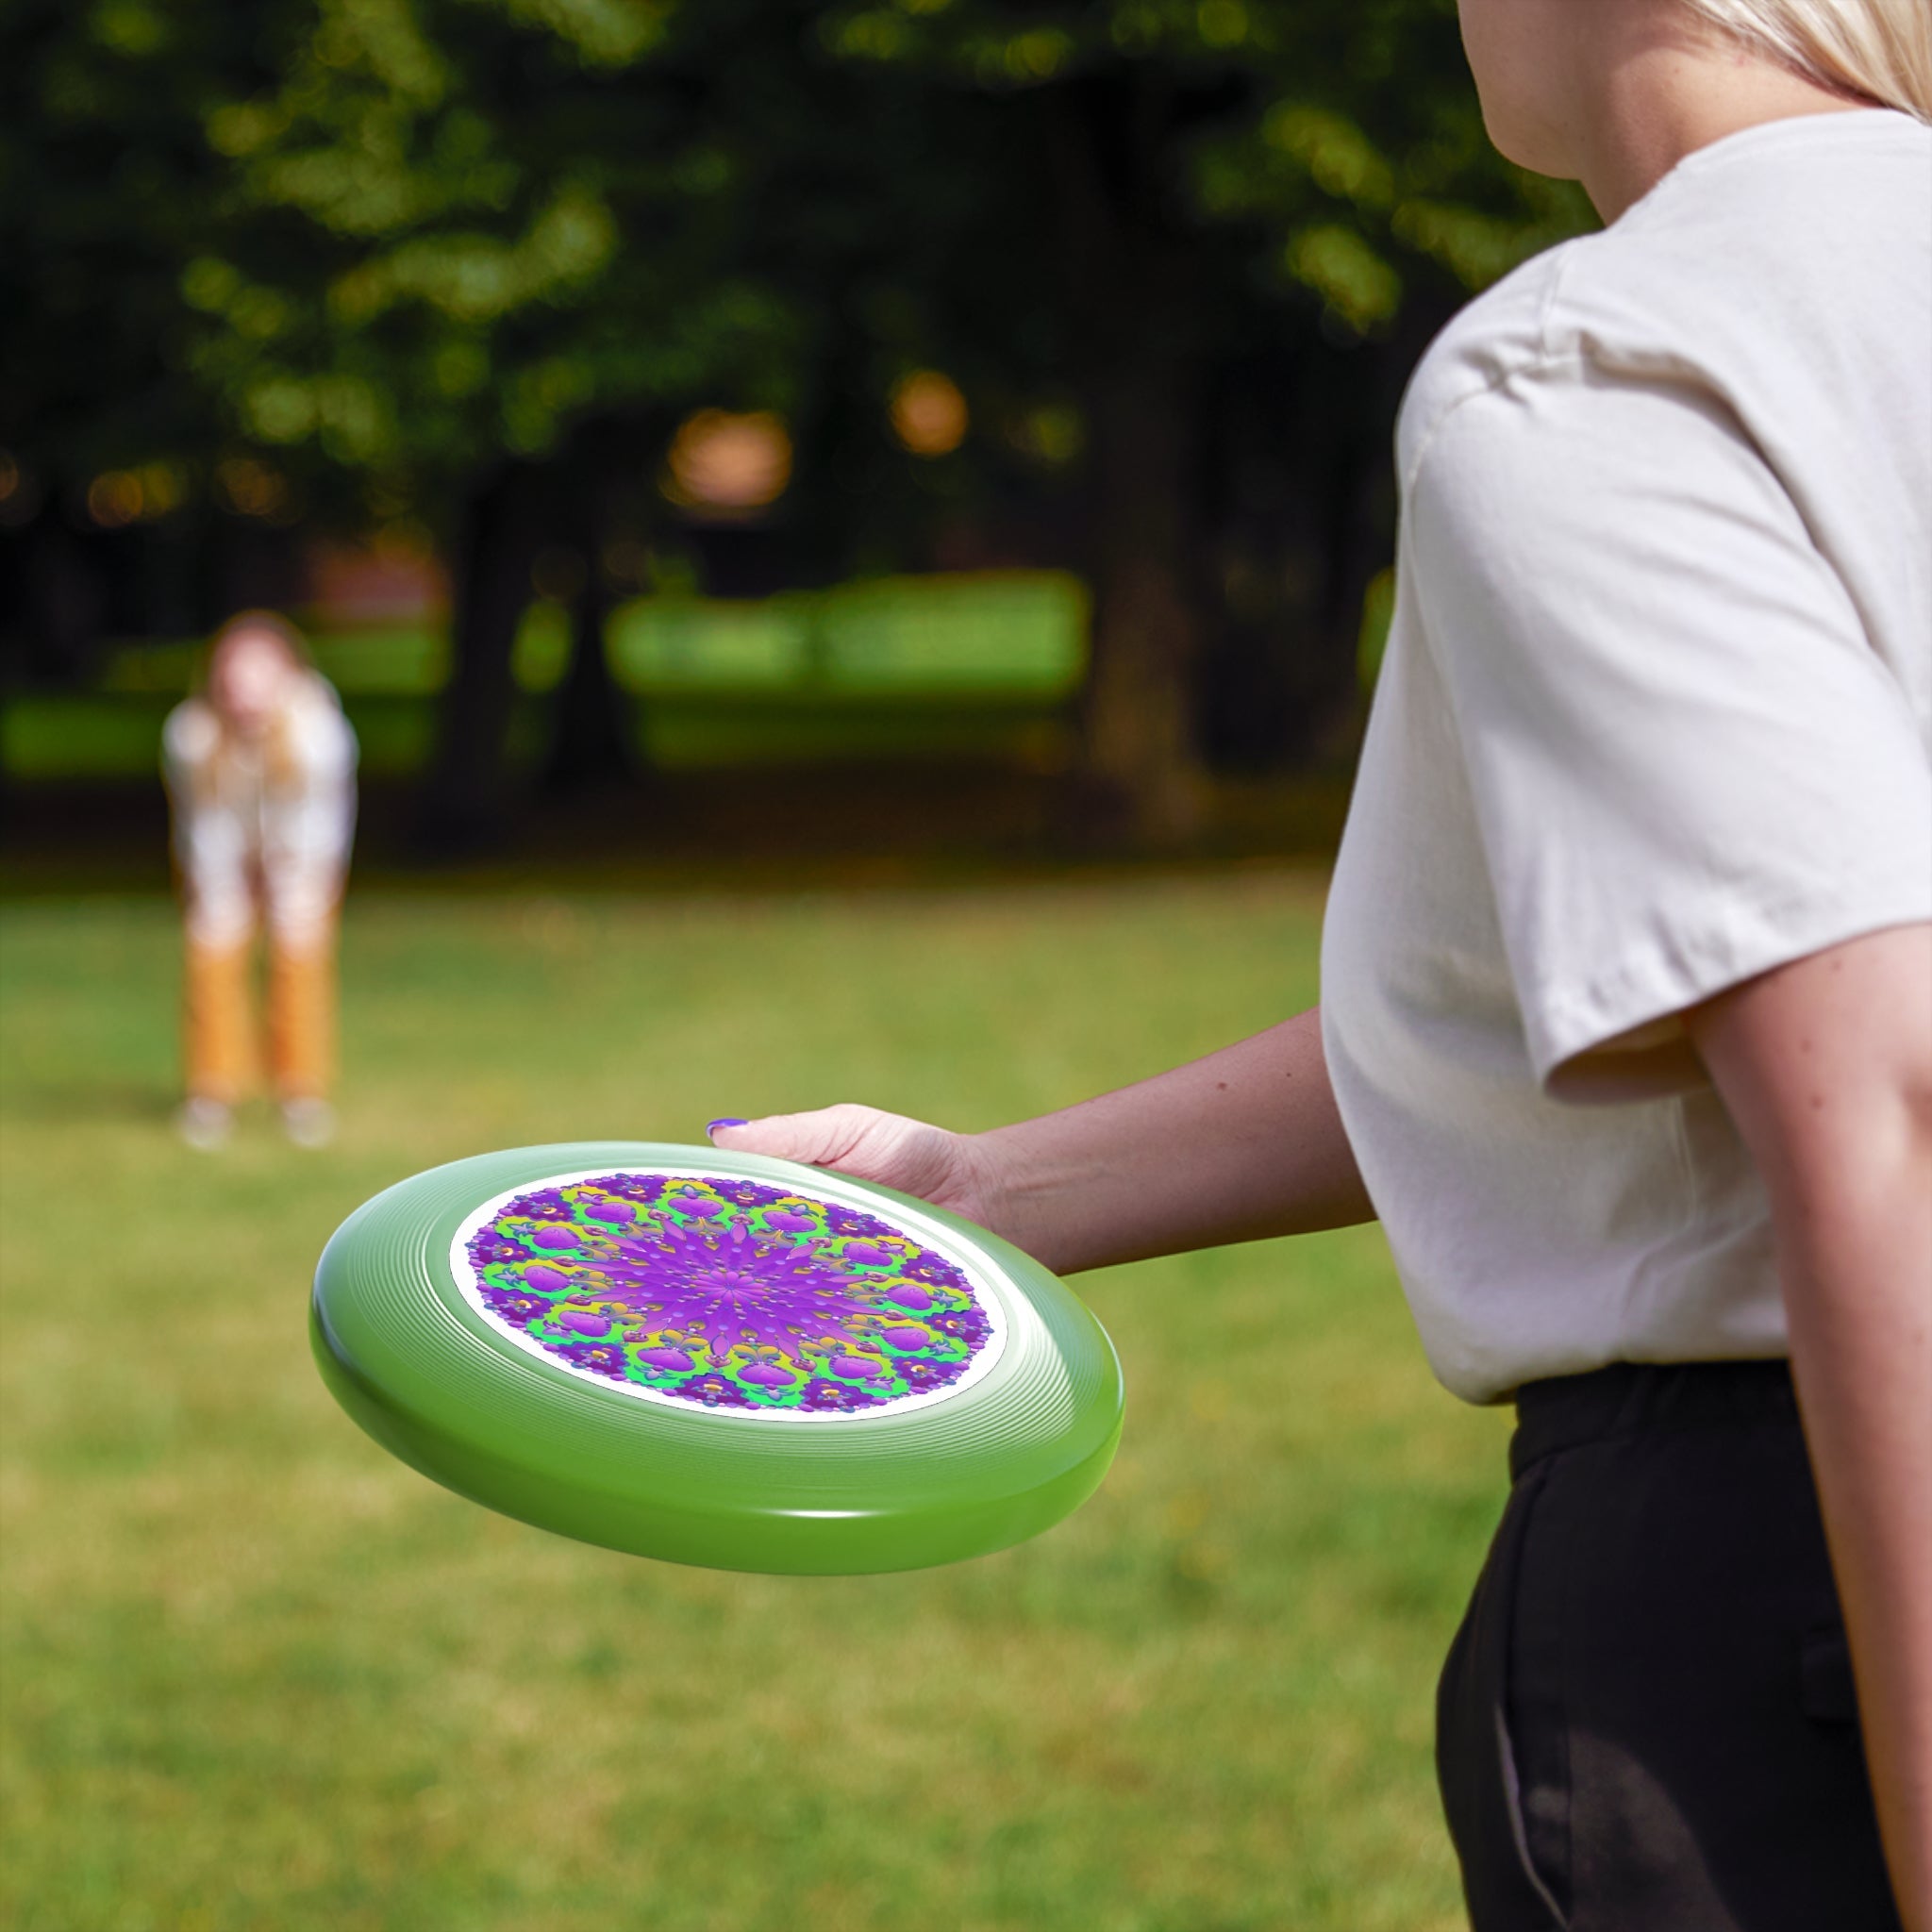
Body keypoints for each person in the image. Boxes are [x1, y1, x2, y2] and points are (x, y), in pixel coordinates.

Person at [707, 2, 1932, 1925]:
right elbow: (1640, 986)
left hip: (1794, 1591)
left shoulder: (1608, 361)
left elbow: (1884, 1098)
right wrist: (984, 1190)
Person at [162, 611, 358, 1151]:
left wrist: (287, 881)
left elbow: (317, 824)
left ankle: (301, 1092)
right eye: (234, 675)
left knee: (299, 958)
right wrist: (224, 887)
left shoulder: (319, 733)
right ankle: (212, 1091)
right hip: (221, 857)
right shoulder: (191, 735)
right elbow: (204, 824)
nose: (244, 690)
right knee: (212, 952)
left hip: (302, 858)